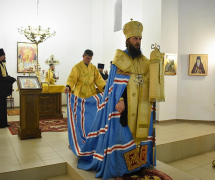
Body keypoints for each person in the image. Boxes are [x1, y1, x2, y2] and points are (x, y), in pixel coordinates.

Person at [66, 20, 164, 179]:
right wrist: (119, 99)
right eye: (135, 39)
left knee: (141, 135)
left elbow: (150, 82)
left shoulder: (144, 61)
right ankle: (124, 165)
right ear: (128, 40)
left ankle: (139, 164)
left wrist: (157, 63)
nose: (138, 42)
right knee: (123, 135)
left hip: (141, 106)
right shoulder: (120, 59)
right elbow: (115, 84)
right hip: (123, 106)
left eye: (139, 39)